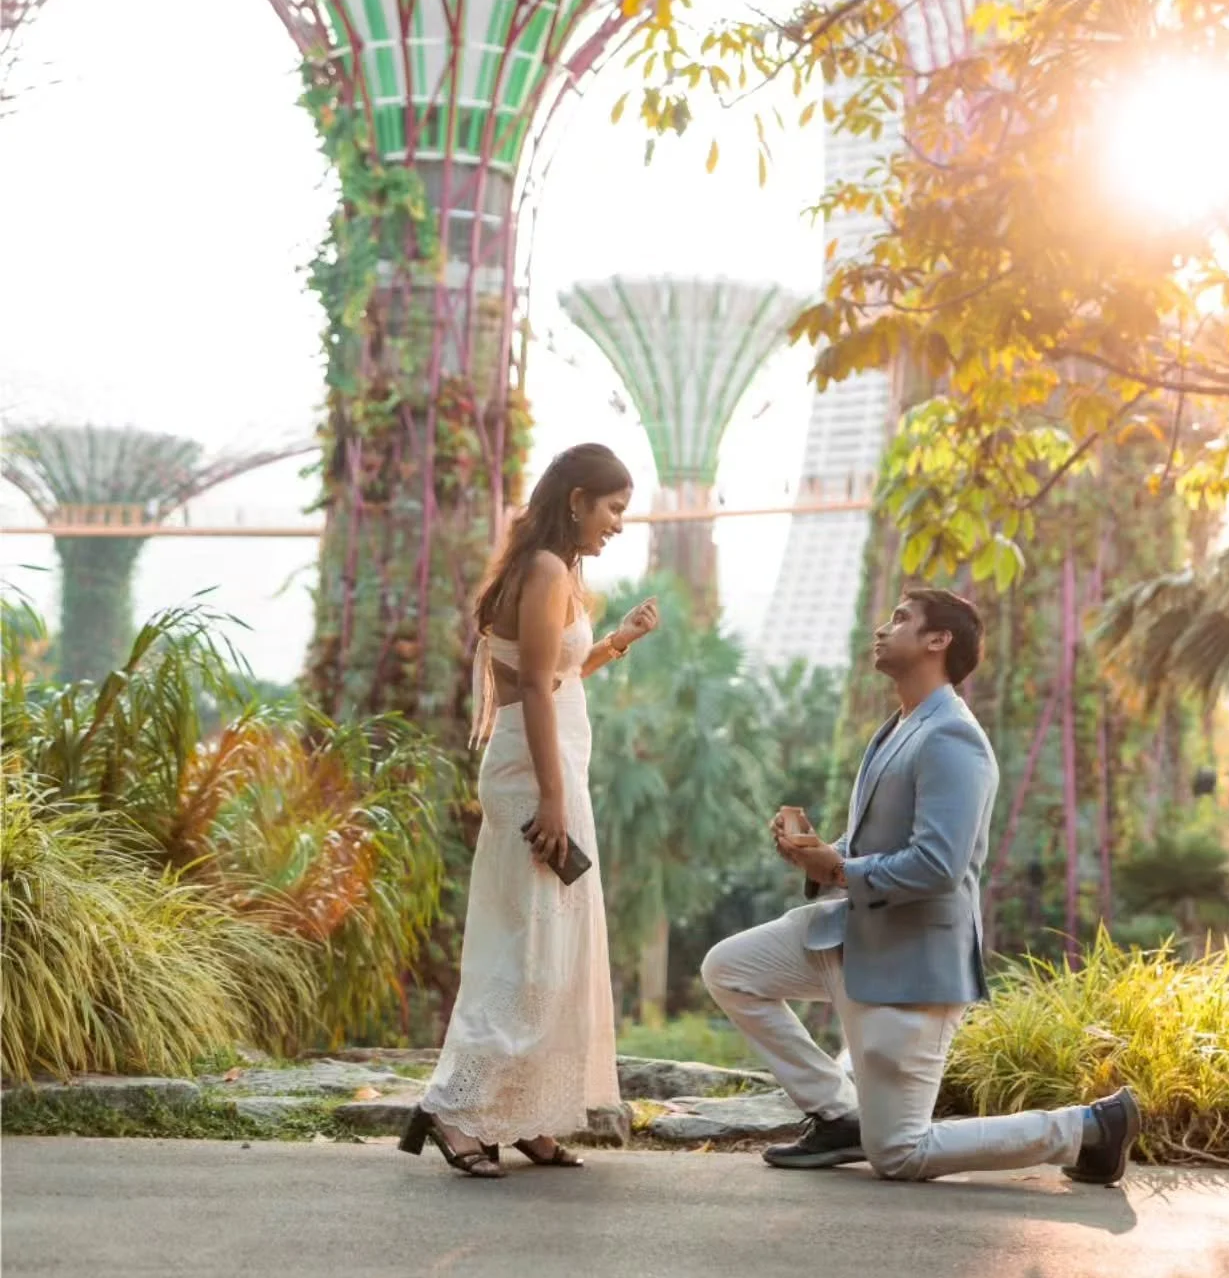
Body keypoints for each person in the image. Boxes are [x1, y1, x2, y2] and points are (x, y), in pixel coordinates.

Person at [701, 586, 1139, 1186]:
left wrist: (840, 871)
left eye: (900, 618)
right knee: (730, 969)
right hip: (847, 935)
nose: (882, 629)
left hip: (911, 964)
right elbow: (874, 846)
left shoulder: (953, 737)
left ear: (938, 640)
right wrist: (818, 856)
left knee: (899, 1153)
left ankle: (1089, 1126)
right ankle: (839, 1114)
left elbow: (937, 865)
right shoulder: (899, 726)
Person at [400, 444, 660, 1178]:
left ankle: (522, 1115)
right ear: (577, 500)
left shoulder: (551, 570)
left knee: (551, 949)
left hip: (553, 765)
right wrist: (551, 797)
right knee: (526, 951)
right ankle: (456, 1112)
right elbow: (537, 692)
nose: (617, 524)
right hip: (536, 774)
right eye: (613, 509)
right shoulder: (545, 570)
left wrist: (618, 641)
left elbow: (558, 674)